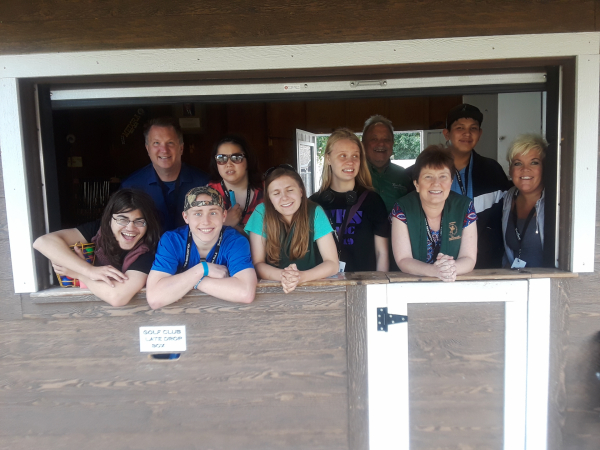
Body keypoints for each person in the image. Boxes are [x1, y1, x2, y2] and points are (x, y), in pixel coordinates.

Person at [33, 189, 161, 306]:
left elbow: (117, 296)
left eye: (139, 221)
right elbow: (42, 242)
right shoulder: (98, 231)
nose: (130, 228)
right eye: (122, 219)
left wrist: (79, 274)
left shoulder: (148, 251)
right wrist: (89, 270)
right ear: (109, 219)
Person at [146, 187, 257, 309]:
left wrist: (194, 281)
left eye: (213, 213)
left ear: (224, 215)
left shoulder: (235, 241)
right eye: (198, 213)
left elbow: (245, 293)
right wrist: (202, 269)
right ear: (186, 217)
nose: (206, 221)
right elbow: (155, 298)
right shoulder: (172, 241)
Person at [245, 165, 338, 293]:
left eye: (290, 190)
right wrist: (284, 276)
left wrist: (301, 277)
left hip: (311, 290)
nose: (284, 197)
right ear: (269, 198)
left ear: (301, 191)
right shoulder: (261, 213)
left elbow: (332, 264)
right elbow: (257, 264)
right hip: (270, 291)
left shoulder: (315, 212)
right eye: (276, 193)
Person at [390, 146, 478, 282]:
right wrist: (434, 271)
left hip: (454, 284)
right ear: (417, 184)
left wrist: (450, 269)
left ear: (451, 181)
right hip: (411, 286)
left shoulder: (465, 207)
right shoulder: (402, 208)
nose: (436, 183)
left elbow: (469, 258)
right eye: (428, 177)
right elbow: (403, 259)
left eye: (443, 176)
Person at [310, 128, 389, 272]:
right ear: (328, 158)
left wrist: (378, 287)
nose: (350, 162)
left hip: (364, 285)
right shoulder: (313, 204)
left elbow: (381, 253)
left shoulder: (373, 201)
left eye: (355, 156)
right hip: (324, 286)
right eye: (342, 156)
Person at [442, 103, 510, 269]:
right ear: (446, 134)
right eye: (459, 128)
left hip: (483, 264)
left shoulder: (492, 171)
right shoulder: (425, 172)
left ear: (479, 134)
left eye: (473, 128)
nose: (467, 133)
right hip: (437, 263)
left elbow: (502, 218)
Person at [121, 117, 209, 231]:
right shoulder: (130, 187)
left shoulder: (204, 183)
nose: (164, 150)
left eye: (170, 143)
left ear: (181, 148)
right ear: (147, 149)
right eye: (156, 143)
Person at [502, 134, 547, 268]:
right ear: (510, 170)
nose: (525, 169)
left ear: (544, 168)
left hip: (548, 283)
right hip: (516, 282)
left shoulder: (555, 201)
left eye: (534, 162)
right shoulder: (509, 198)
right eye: (518, 163)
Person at [207, 135, 264, 235]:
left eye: (236, 157)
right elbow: (198, 236)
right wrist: (223, 223)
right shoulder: (207, 194)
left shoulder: (267, 190)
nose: (228, 164)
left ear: (248, 159)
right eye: (221, 158)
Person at [362, 115, 412, 212]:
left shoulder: (405, 176)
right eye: (374, 139)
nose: (381, 144)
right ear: (363, 144)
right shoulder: (354, 174)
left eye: (386, 139)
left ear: (392, 143)